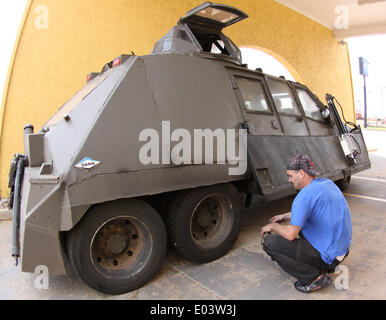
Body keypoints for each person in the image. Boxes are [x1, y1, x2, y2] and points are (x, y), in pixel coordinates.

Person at [261, 154, 352, 293]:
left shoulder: (303, 196)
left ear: (302, 173)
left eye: (290, 175)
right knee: (303, 226)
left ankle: (313, 277)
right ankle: (323, 267)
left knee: (269, 242)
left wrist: (272, 226)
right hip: (341, 251)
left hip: (328, 257)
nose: (289, 180)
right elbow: (315, 211)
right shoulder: (326, 184)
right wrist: (285, 216)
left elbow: (290, 235)